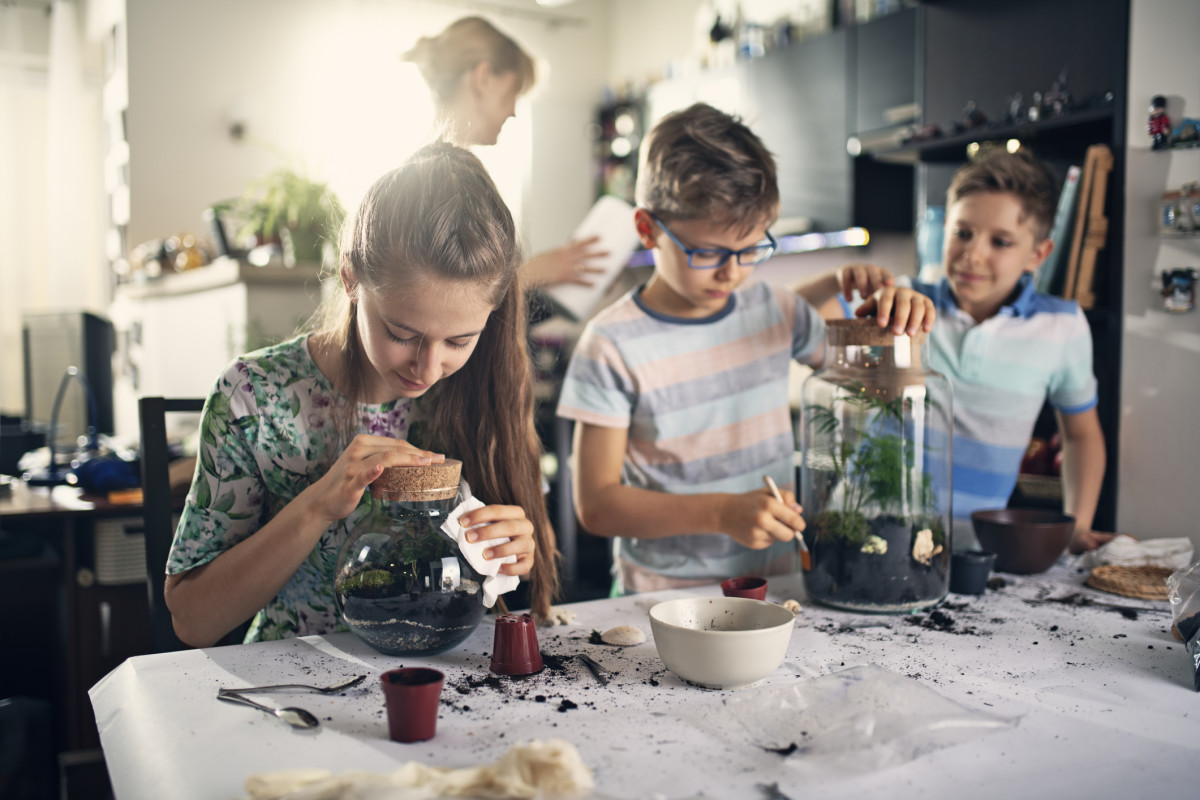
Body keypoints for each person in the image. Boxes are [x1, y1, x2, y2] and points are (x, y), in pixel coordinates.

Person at [164, 142, 558, 647]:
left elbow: (506, 573)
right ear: (351, 279)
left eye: (459, 341)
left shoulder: (480, 387)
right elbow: (194, 620)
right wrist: (316, 505)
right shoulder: (252, 398)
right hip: (290, 678)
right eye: (402, 333)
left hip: (443, 668)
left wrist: (513, 548)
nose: (428, 367)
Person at [555, 103, 935, 594]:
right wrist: (721, 512)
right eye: (708, 252)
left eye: (751, 249)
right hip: (661, 594)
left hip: (775, 583)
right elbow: (598, 506)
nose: (731, 273)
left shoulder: (774, 310)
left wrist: (895, 317)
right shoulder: (611, 343)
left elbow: (876, 388)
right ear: (648, 230)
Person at [847, 148, 1112, 554]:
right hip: (861, 535)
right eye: (962, 232)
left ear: (1038, 254)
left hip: (973, 551)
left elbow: (1080, 436)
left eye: (1000, 241)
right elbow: (802, 331)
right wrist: (856, 288)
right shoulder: (903, 301)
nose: (973, 254)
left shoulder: (1062, 325)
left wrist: (1077, 525)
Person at [402, 16, 607, 292]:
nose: (512, 111)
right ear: (484, 78)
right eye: (514, 92)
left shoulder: (437, 168)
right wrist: (534, 272)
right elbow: (449, 296)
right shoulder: (440, 177)